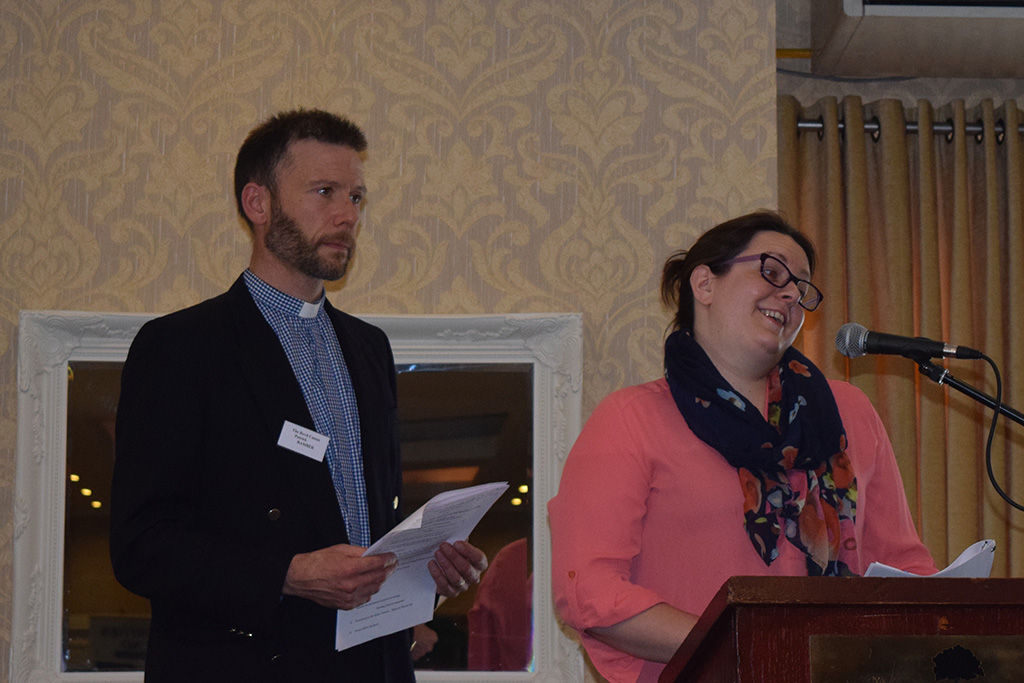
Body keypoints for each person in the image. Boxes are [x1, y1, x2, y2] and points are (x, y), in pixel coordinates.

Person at [109, 109, 488, 683]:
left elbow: (364, 522)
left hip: (374, 667)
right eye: (324, 192)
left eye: (357, 198)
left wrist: (424, 569)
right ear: (257, 203)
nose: (346, 216)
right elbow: (143, 545)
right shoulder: (182, 346)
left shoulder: (369, 348)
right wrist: (286, 573)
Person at [548, 211, 937, 683]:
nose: (792, 294)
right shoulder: (630, 420)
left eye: (802, 288)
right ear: (704, 285)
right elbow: (587, 591)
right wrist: (747, 645)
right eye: (772, 272)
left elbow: (903, 569)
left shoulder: (850, 413)